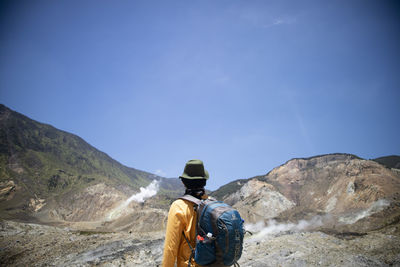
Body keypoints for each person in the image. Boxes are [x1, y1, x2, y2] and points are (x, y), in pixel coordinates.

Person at [162, 159, 209, 267]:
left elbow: (170, 248)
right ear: (204, 181)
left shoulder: (178, 206)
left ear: (183, 182)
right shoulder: (212, 204)